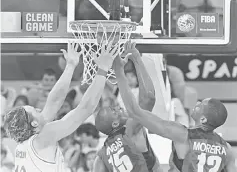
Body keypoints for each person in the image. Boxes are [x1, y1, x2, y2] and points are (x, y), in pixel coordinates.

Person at [4, 41, 119, 172]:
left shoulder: (24, 145)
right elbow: (85, 109)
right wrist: (102, 69)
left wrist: (70, 66)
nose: (39, 109)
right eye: (35, 110)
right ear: (34, 124)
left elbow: (53, 103)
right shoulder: (43, 138)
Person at [113, 54, 237, 172]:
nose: (197, 103)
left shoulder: (182, 134)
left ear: (203, 119)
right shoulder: (227, 149)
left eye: (201, 105)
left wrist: (120, 72)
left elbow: (135, 112)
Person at [93, 41, 162, 172]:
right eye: (114, 111)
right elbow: (149, 98)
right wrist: (136, 59)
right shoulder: (130, 129)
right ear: (115, 124)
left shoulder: (101, 156)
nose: (118, 107)